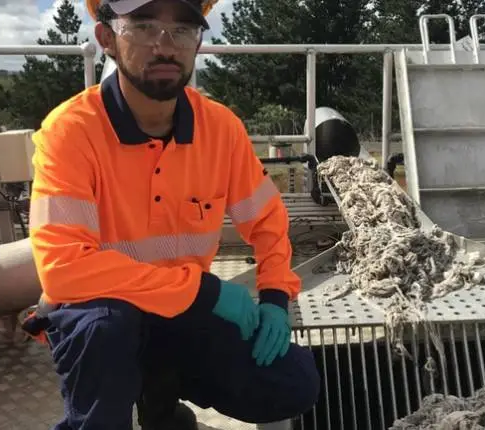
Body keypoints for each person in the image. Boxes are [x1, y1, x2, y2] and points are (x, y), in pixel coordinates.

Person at [24, 0, 321, 428]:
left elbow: (267, 221)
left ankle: (161, 397)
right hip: (97, 314)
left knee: (291, 381)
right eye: (143, 27)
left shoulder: (220, 129)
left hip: (179, 308)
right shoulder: (70, 132)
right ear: (106, 39)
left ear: (197, 44)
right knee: (109, 330)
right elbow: (64, 271)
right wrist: (206, 293)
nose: (165, 46)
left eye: (182, 31)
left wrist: (275, 295)